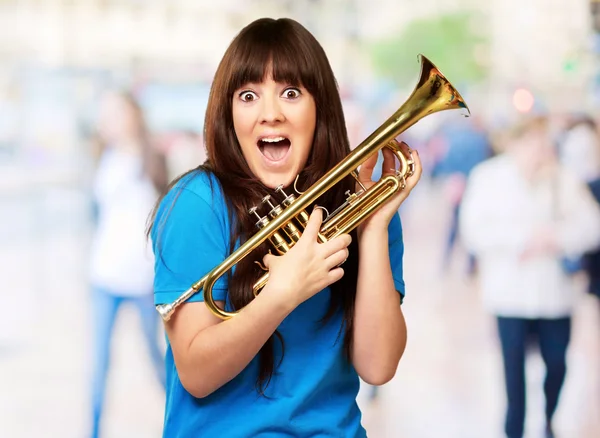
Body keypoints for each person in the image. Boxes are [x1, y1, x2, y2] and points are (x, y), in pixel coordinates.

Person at [147, 17, 422, 437]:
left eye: (291, 93)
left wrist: (376, 227)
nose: (270, 114)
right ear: (228, 111)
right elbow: (197, 374)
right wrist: (281, 294)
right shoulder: (197, 203)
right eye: (249, 95)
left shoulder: (360, 201)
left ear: (320, 108)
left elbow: (378, 365)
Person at [459, 115, 600, 438]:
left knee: (557, 362)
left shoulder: (564, 179)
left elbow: (592, 226)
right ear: (515, 143)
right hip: (509, 294)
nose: (540, 149)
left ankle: (550, 418)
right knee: (513, 369)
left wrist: (557, 238)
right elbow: (474, 231)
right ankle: (513, 428)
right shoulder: (487, 177)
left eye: (544, 142)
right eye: (533, 142)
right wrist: (524, 239)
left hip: (555, 296)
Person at [89, 90, 167, 438]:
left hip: (141, 279)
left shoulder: (152, 157)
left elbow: (163, 218)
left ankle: (182, 420)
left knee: (155, 354)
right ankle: (91, 430)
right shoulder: (102, 155)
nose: (110, 121)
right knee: (99, 362)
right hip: (104, 275)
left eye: (116, 113)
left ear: (133, 114)